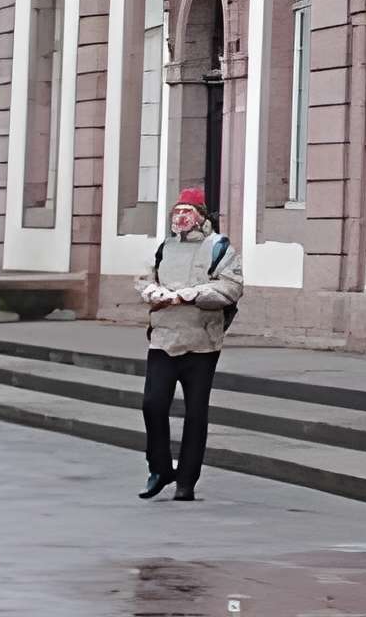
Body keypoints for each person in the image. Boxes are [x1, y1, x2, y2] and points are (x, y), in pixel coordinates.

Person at [140, 189, 241, 500]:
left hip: (202, 342)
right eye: (176, 211)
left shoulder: (219, 248)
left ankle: (186, 481)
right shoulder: (164, 247)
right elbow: (144, 278)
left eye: (187, 211)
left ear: (200, 215)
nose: (180, 217)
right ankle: (159, 468)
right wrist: (151, 292)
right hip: (163, 337)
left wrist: (189, 294)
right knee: (153, 404)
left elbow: (232, 287)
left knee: (196, 412)